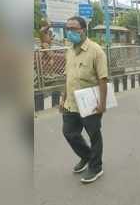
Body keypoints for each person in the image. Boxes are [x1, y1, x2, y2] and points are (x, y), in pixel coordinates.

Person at [59, 16, 108, 183]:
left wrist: (102, 103)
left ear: (83, 30)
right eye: (68, 29)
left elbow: (103, 78)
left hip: (89, 102)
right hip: (71, 102)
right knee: (69, 133)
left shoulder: (96, 51)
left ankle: (96, 167)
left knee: (94, 134)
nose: (70, 32)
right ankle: (87, 156)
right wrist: (63, 98)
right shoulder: (69, 51)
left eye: (74, 29)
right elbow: (68, 77)